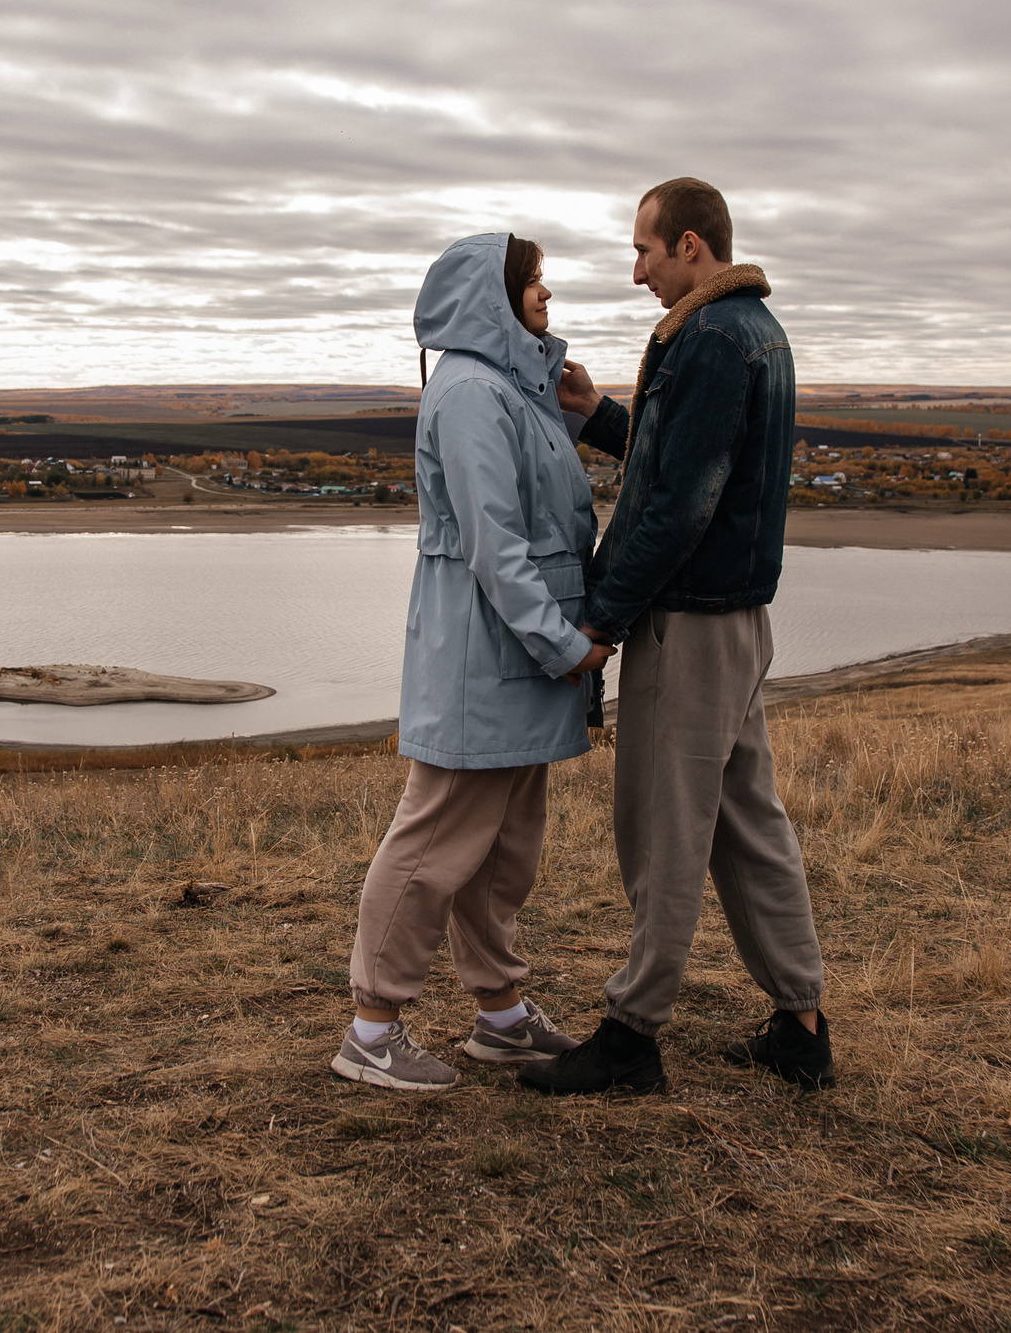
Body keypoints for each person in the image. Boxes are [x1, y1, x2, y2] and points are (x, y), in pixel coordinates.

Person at [521, 176, 834, 1096]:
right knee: (747, 823)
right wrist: (600, 414)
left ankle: (632, 1035)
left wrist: (601, 619)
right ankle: (801, 1023)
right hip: (736, 621)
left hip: (690, 626)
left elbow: (678, 506)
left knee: (662, 825)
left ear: (691, 245)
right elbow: (691, 462)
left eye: (644, 250)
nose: (636, 272)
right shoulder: (754, 331)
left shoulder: (710, 339)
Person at [333, 233, 616, 1092]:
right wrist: (564, 645)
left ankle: (500, 1013)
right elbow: (497, 548)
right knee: (433, 845)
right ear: (492, 296)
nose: (546, 294)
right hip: (485, 659)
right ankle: (371, 1029)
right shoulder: (468, 394)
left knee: (501, 851)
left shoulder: (512, 387)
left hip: (518, 663)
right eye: (532, 281)